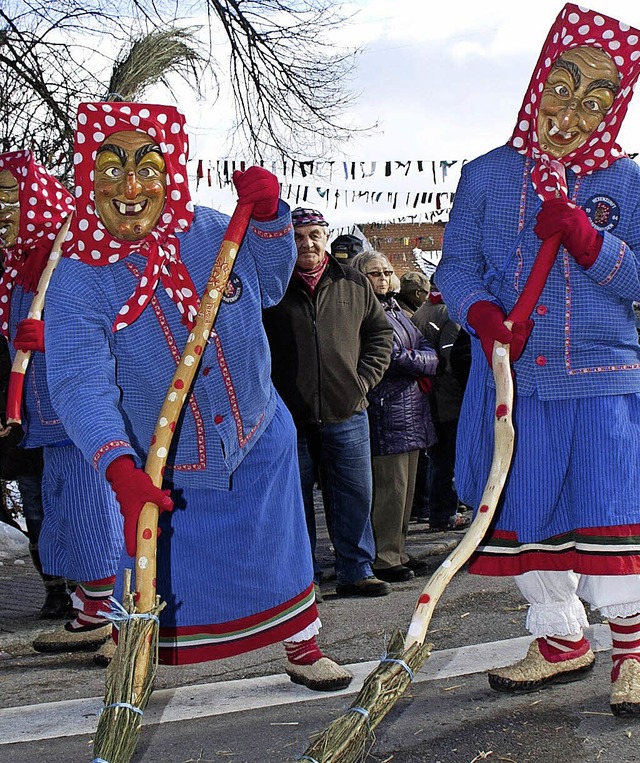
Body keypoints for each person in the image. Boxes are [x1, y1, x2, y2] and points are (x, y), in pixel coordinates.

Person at [44, 102, 351, 691]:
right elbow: (80, 379)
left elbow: (265, 283)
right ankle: (129, 643)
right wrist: (118, 466)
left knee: (281, 548)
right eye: (110, 168)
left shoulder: (210, 229)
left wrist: (266, 221)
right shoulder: (78, 276)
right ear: (86, 175)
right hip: (164, 460)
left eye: (146, 167)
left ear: (173, 169)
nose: (130, 187)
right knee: (156, 565)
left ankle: (304, 646)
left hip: (255, 429)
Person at [435, 3, 640, 714]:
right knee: (531, 511)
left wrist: (591, 241)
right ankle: (560, 639)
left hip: (605, 378)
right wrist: (484, 314)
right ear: (536, 82)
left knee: (612, 510)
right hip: (514, 380)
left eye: (597, 99)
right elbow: (455, 266)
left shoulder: (628, 181)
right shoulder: (487, 175)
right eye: (563, 85)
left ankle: (635, 647)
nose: (572, 110)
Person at [0, 150, 123, 657]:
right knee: (66, 513)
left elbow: (117, 325)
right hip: (44, 416)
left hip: (81, 412)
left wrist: (53, 338)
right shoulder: (17, 267)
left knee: (96, 510)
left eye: (9, 194)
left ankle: (120, 621)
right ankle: (90, 611)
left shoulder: (76, 257)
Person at [263, 207, 393, 597]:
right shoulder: (271, 285)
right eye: (298, 236)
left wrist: (362, 382)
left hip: (347, 409)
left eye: (314, 235)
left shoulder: (353, 282)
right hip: (288, 414)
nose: (307, 243)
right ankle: (304, 578)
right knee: (294, 500)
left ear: (326, 236)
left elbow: (379, 336)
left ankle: (356, 570)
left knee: (354, 495)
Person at [352, 252, 438, 582]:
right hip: (385, 410)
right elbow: (391, 358)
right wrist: (421, 360)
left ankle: (398, 549)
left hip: (411, 409)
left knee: (406, 490)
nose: (384, 279)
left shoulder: (396, 310)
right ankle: (385, 557)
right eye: (376, 273)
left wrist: (419, 360)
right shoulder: (363, 310)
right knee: (390, 489)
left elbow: (426, 349)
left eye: (387, 272)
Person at [412, 280, 471, 531]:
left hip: (430, 397)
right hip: (449, 398)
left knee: (438, 459)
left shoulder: (421, 311)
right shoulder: (449, 312)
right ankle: (446, 512)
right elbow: (450, 356)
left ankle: (439, 512)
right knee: (450, 460)